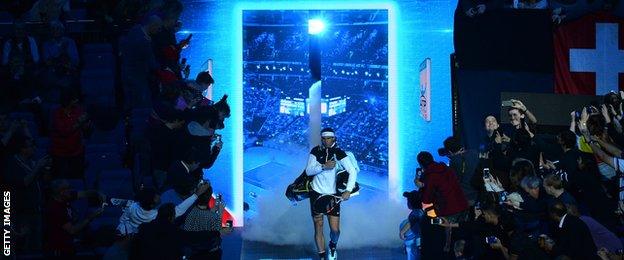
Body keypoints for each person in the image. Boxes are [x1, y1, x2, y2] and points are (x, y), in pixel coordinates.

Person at [305, 127, 358, 260]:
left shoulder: (339, 153)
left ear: (334, 138)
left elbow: (353, 171)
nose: (326, 140)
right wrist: (323, 166)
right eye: (324, 138)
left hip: (333, 195)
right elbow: (308, 171)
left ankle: (333, 245)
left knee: (335, 230)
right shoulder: (315, 151)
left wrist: (348, 190)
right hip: (316, 193)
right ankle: (322, 256)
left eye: (329, 138)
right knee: (318, 226)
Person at [416, 151, 468, 258]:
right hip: (462, 206)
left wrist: (421, 185)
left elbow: (426, 200)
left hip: (446, 211)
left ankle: (443, 251)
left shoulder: (430, 176)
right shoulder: (446, 169)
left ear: (421, 164)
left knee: (430, 224)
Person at [3, 135, 51, 252]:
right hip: (22, 211)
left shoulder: (31, 162)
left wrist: (46, 169)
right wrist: (38, 167)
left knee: (36, 245)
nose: (34, 148)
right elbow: (24, 182)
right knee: (25, 245)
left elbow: (44, 181)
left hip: (36, 209)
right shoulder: (12, 163)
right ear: (22, 149)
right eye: (30, 146)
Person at [116, 184, 209, 236]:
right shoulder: (157, 215)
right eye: (156, 197)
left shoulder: (132, 207)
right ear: (152, 204)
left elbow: (122, 220)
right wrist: (196, 194)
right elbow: (180, 210)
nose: (159, 196)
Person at [44, 180, 106, 258]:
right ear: (61, 192)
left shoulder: (66, 196)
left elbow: (85, 193)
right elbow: (72, 230)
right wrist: (91, 217)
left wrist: (97, 193)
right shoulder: (55, 208)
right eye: (68, 188)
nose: (71, 190)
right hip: (59, 249)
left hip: (68, 245)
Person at [182, 184, 232, 259]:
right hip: (209, 254)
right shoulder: (212, 217)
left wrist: (216, 208)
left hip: (193, 253)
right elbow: (223, 232)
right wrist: (223, 213)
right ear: (209, 197)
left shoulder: (189, 212)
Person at [49, 89, 90, 179]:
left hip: (76, 152)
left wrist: (86, 124)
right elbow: (64, 131)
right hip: (60, 154)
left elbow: (85, 129)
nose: (77, 101)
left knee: (76, 180)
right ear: (68, 101)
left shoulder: (79, 111)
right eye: (74, 99)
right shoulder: (57, 113)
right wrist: (79, 122)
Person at [441, 136, 479, 204]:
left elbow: (452, 180)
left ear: (449, 151)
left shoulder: (454, 161)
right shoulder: (474, 153)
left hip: (465, 196)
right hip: (479, 192)